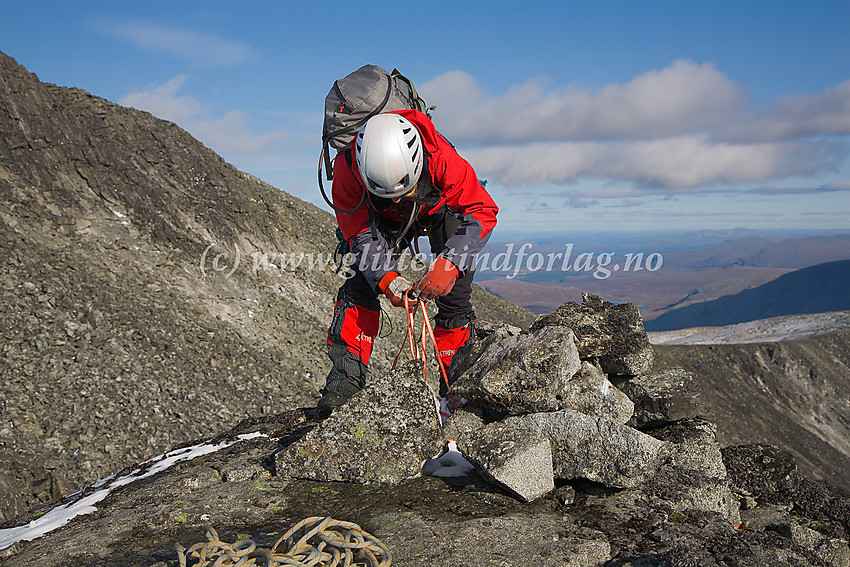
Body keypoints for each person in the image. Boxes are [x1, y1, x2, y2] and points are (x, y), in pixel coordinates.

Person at [319, 108, 498, 410]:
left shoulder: (439, 154)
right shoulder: (347, 171)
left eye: (407, 189)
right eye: (390, 194)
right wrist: (388, 280)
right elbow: (360, 234)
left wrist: (450, 263)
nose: (400, 199)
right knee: (359, 287)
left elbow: (479, 210)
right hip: (380, 219)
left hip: (439, 210)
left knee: (454, 296)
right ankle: (344, 386)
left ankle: (455, 389)